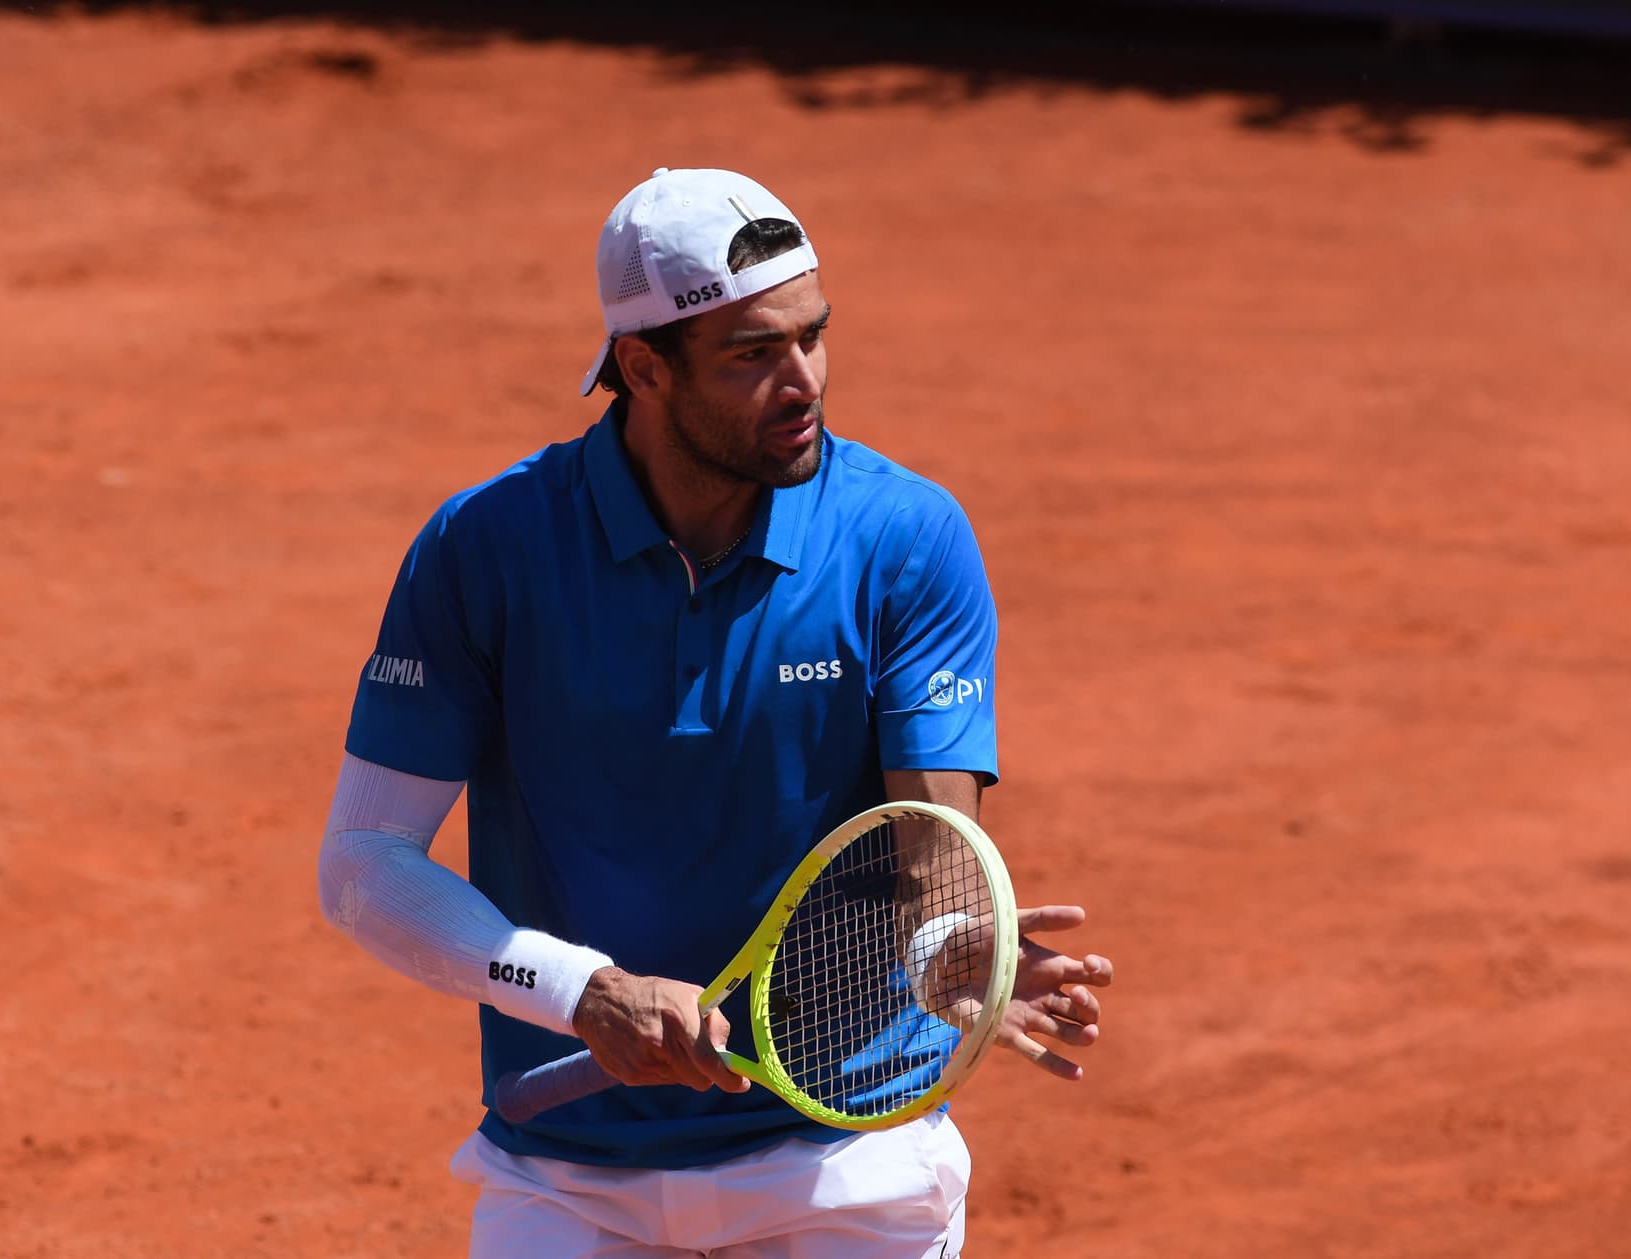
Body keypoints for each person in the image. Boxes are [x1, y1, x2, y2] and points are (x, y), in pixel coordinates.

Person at [317, 166, 1113, 1258]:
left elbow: (931, 839)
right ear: (642, 366)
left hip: (847, 1156)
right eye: (754, 354)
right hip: (566, 1173)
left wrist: (948, 949)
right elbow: (365, 861)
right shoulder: (486, 549)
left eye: (813, 337)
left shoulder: (904, 537)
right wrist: (582, 990)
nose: (804, 381)